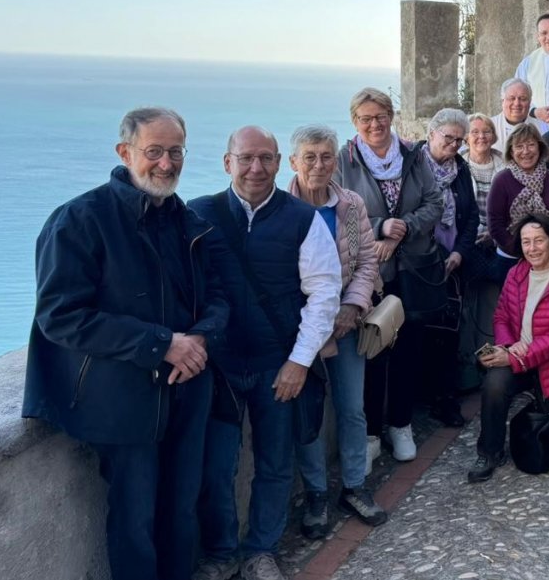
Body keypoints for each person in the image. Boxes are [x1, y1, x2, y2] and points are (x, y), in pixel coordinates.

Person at [23, 107, 227, 580]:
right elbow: (60, 315)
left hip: (186, 391)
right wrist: (161, 344)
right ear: (125, 152)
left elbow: (216, 297)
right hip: (123, 401)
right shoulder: (79, 219)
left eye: (175, 151)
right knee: (135, 520)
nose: (166, 163)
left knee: (180, 511)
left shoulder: (187, 220)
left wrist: (199, 338)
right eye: (153, 151)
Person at [191, 125, 341, 580]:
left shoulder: (302, 219)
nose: (256, 168)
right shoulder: (197, 216)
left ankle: (261, 550)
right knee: (217, 467)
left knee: (276, 463)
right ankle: (220, 553)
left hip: (279, 365)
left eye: (266, 158)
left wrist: (299, 361)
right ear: (227, 162)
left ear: (279, 163)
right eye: (246, 158)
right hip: (217, 367)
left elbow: (324, 293)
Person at [286, 124, 388, 538]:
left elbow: (367, 262)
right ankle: (315, 495)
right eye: (309, 156)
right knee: (308, 412)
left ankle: (354, 485)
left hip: (347, 322)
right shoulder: (282, 208)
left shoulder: (349, 205)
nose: (318, 164)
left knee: (352, 407)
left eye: (326, 156)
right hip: (301, 328)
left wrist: (352, 306)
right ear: (293, 162)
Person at [334, 88, 444, 464]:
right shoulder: (343, 161)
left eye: (380, 116)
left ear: (391, 116)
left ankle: (401, 424)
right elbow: (338, 209)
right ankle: (370, 434)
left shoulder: (413, 155)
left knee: (408, 350)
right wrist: (380, 226)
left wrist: (403, 229)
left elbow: (435, 202)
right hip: (370, 273)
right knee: (372, 351)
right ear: (355, 123)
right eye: (365, 118)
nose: (374, 124)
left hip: (412, 268)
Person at [467, 213, 549, 483]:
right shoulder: (515, 273)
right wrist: (508, 347)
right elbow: (501, 317)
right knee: (494, 385)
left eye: (538, 241)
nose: (532, 249)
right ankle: (489, 451)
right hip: (518, 356)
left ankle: (540, 400)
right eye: (526, 242)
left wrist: (514, 357)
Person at [415, 110, 480, 428]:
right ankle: (419, 398)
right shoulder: (412, 168)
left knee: (450, 334)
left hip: (453, 264)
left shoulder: (461, 170)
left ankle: (445, 399)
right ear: (431, 134)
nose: (453, 145)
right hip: (419, 265)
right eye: (447, 138)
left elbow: (471, 219)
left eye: (459, 139)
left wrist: (459, 254)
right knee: (419, 333)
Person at [459, 112, 509, 393]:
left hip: (498, 244)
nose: (481, 136)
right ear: (467, 137)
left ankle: (489, 364)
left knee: (493, 309)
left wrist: (496, 233)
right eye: (474, 131)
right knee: (467, 309)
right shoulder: (460, 166)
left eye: (486, 131)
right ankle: (466, 369)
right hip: (469, 246)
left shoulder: (505, 165)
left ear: (495, 135)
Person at [487, 123, 549, 272]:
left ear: (540, 147)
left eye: (531, 145)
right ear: (511, 151)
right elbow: (495, 224)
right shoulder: (501, 180)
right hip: (511, 259)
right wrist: (523, 252)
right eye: (519, 146)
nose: (526, 151)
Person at [491, 78, 548, 152]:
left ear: (530, 102)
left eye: (523, 99)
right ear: (503, 101)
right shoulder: (489, 126)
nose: (517, 103)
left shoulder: (542, 128)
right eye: (512, 98)